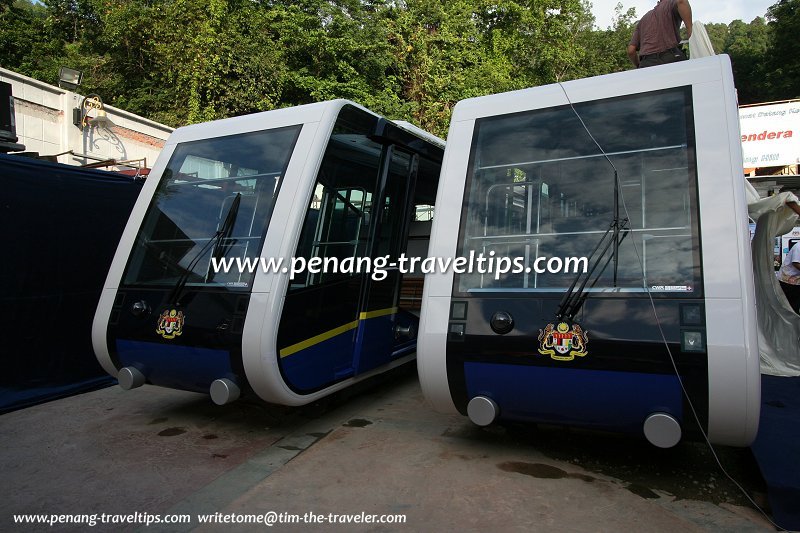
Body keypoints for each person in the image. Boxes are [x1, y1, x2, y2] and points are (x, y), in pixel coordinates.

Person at [627, 0, 692, 68]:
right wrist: (690, 28)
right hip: (671, 58)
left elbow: (631, 50)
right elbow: (681, 1)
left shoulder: (643, 19)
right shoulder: (671, 4)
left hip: (646, 63)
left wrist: (639, 66)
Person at [778, 239, 800, 314]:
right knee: (791, 306)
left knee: (795, 304)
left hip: (796, 281)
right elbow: (796, 263)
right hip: (788, 281)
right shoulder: (798, 246)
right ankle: (791, 323)